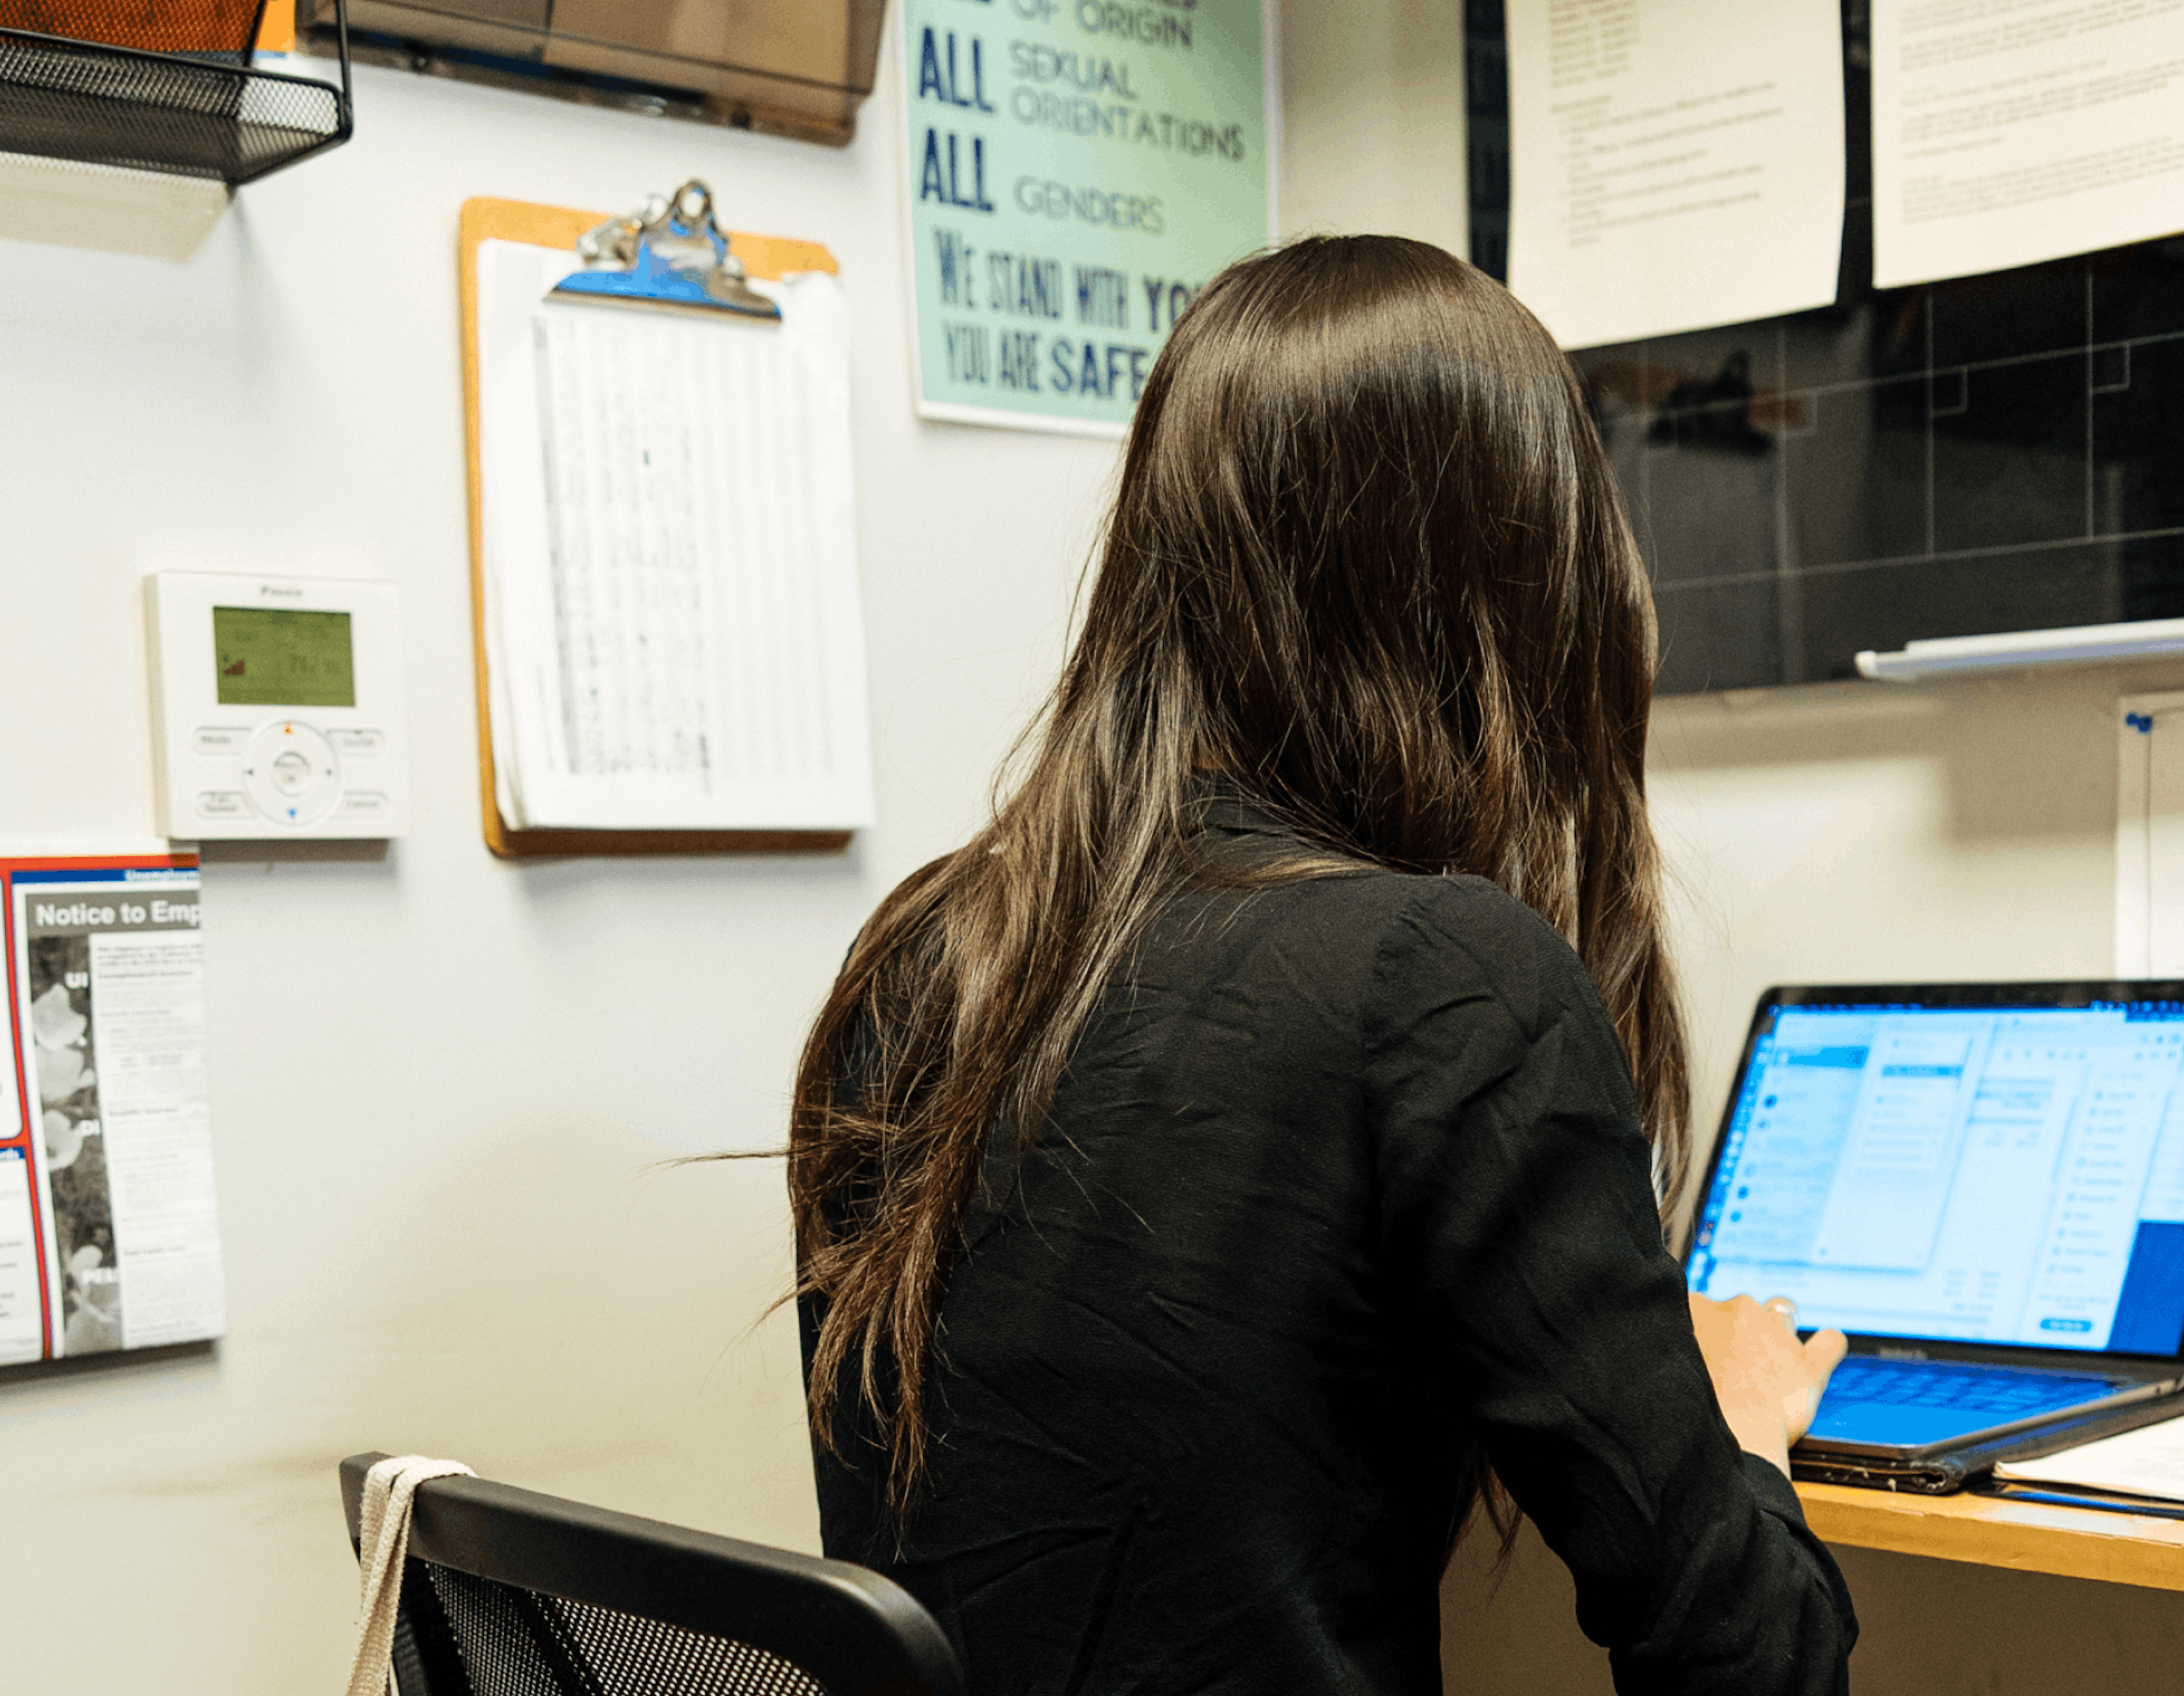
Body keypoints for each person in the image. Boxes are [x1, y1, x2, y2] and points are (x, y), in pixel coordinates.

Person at [788, 235, 1855, 1695]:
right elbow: (1748, 1668)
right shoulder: (1444, 979)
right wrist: (1733, 1424)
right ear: (1519, 591)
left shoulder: (929, 958)